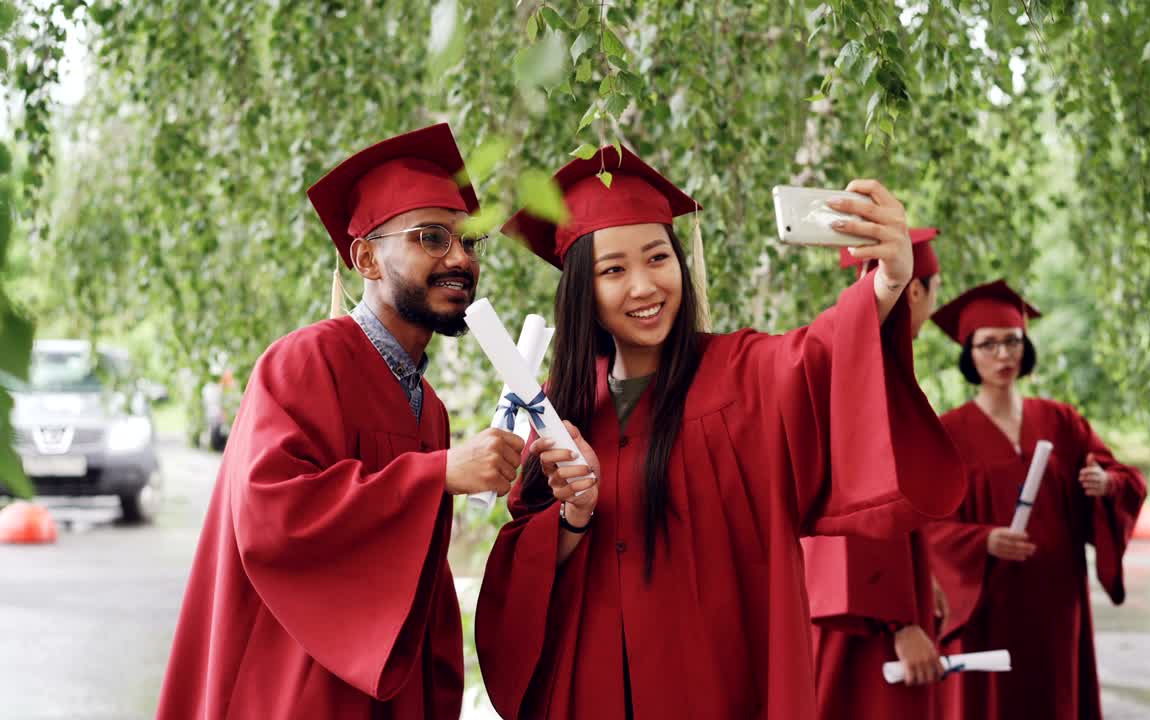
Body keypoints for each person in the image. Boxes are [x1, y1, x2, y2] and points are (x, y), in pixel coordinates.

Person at [475, 146, 965, 719]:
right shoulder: (560, 410)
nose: (644, 286)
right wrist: (573, 515)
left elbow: (819, 356)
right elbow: (526, 572)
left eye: (658, 257)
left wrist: (888, 283)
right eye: (614, 270)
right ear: (583, 288)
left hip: (716, 687)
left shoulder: (741, 375)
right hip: (594, 690)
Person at [156, 124, 524, 719]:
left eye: (469, 242)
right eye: (432, 238)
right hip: (293, 690)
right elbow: (274, 515)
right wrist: (435, 474)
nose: (460, 258)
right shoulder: (304, 361)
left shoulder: (428, 407)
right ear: (366, 258)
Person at [925, 280, 1147, 720]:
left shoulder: (1061, 421)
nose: (1003, 355)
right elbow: (927, 524)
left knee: (1055, 696)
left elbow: (1125, 479)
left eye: (1013, 341)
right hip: (989, 601)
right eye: (989, 344)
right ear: (969, 353)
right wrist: (983, 541)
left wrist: (1106, 484)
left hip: (1056, 598)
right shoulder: (947, 433)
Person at [804, 227, 952, 719]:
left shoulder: (864, 362)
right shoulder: (866, 374)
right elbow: (861, 507)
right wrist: (898, 622)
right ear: (915, 290)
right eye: (936, 287)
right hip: (863, 620)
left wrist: (922, 582)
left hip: (868, 604)